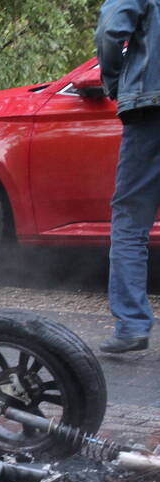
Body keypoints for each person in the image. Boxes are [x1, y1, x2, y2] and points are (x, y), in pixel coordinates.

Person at [95, 0, 160, 353]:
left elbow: (110, 29)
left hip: (151, 112)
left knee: (131, 219)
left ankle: (132, 325)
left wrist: (116, 82)